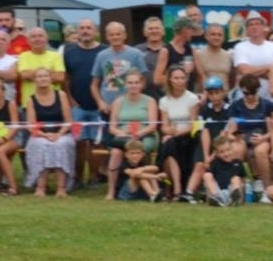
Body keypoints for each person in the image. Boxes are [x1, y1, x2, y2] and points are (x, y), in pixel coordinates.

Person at [104, 69, 159, 200]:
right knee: (116, 153)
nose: (133, 85)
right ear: (125, 84)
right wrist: (123, 133)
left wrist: (139, 134)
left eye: (136, 82)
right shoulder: (118, 102)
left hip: (146, 135)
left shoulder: (150, 101)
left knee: (138, 149)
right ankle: (111, 191)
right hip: (124, 137)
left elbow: (153, 125)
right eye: (130, 82)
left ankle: (146, 187)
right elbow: (112, 127)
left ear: (141, 84)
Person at [63, 18, 106, 181]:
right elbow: (65, 79)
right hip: (77, 107)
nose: (85, 31)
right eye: (82, 28)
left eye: (89, 28)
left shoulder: (103, 52)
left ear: (95, 32)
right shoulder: (69, 52)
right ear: (77, 32)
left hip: (98, 105)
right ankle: (78, 177)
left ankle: (95, 177)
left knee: (96, 142)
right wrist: (70, 100)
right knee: (78, 142)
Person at [24, 67, 75, 197]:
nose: (43, 79)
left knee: (61, 145)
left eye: (45, 76)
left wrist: (58, 134)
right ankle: (40, 188)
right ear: (35, 80)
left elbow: (68, 121)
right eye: (39, 76)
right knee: (40, 145)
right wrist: (45, 135)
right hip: (40, 134)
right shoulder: (31, 100)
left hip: (62, 133)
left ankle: (61, 188)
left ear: (50, 78)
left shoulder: (61, 95)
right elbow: (31, 126)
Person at [157, 63, 202, 201]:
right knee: (168, 144)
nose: (180, 81)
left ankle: (173, 188)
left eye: (182, 78)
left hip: (188, 136)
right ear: (170, 79)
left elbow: (194, 124)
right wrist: (168, 131)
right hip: (172, 136)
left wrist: (179, 132)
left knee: (169, 144)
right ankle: (176, 187)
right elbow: (163, 126)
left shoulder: (192, 99)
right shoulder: (164, 101)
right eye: (176, 78)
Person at [225, 73, 273, 193]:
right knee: (236, 148)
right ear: (242, 91)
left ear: (258, 90)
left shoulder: (267, 105)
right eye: (246, 93)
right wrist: (235, 138)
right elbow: (232, 129)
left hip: (262, 137)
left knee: (260, 151)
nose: (250, 96)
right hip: (243, 138)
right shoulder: (236, 106)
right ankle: (238, 186)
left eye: (253, 93)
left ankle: (267, 189)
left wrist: (263, 138)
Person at [232, 13, 273, 92]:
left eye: (257, 24)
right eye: (250, 25)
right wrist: (270, 67)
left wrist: (252, 72)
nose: (254, 27)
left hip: (270, 94)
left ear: (263, 27)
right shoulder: (240, 47)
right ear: (247, 29)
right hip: (247, 94)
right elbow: (245, 71)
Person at [15, 25, 65, 105]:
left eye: (40, 36)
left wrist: (33, 74)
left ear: (47, 39)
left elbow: (60, 77)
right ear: (28, 41)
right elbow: (24, 75)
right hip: (29, 103)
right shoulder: (23, 56)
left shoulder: (56, 56)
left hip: (54, 103)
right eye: (33, 37)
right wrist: (49, 73)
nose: (37, 39)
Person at [201, 132, 248, 206]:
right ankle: (217, 199)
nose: (226, 154)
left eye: (228, 150)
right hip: (218, 192)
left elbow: (243, 182)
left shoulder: (238, 163)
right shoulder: (215, 163)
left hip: (232, 190)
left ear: (232, 149)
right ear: (217, 153)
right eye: (221, 152)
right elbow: (209, 183)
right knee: (207, 175)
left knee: (236, 178)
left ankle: (234, 199)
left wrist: (242, 196)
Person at [192, 15, 234, 93]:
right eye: (213, 34)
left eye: (219, 35)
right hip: (204, 99)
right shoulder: (198, 55)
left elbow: (232, 79)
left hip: (224, 99)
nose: (216, 37)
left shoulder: (228, 56)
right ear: (206, 36)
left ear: (223, 38)